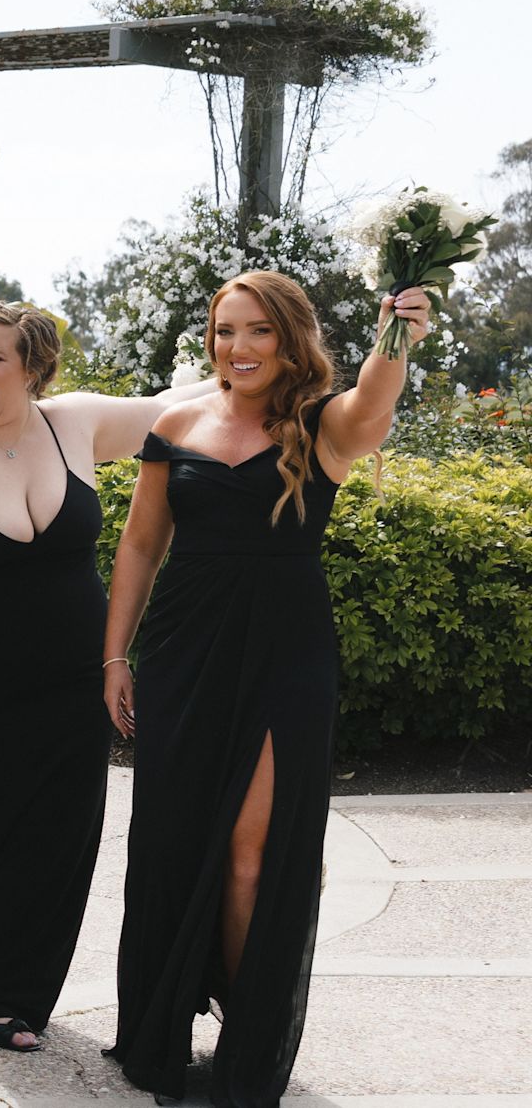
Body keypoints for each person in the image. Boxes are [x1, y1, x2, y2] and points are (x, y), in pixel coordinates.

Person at [104, 273, 421, 1108]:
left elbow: (373, 408)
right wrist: (114, 656)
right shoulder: (176, 423)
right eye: (222, 331)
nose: (236, 348)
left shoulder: (322, 423)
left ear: (289, 338)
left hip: (285, 653)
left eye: (256, 333)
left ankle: (247, 1043)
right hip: (182, 649)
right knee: (171, 841)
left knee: (254, 854)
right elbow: (139, 547)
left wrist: (396, 339)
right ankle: (164, 1024)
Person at [0, 300, 217, 1052]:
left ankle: (4, 996)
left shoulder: (75, 422)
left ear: (33, 367)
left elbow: (168, 409)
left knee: (59, 839)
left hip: (71, 683)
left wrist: (250, 371)